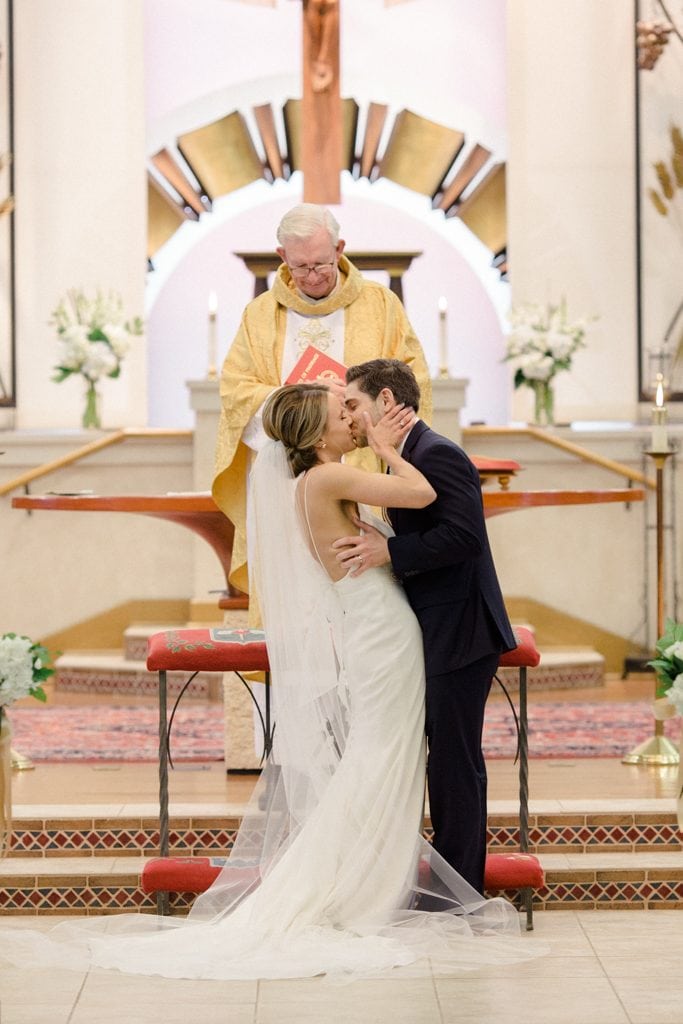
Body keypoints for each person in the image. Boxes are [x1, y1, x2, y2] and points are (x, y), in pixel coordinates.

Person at [0, 384, 541, 981]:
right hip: (383, 634)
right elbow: (421, 491)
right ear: (313, 437)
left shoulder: (312, 483)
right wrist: (388, 449)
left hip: (378, 629)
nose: (353, 423)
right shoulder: (326, 480)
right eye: (342, 415)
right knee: (382, 756)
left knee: (386, 754)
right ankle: (354, 890)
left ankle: (364, 883)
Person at [334, 359, 516, 895]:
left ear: (386, 402)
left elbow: (464, 538)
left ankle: (462, 890)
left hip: (461, 630)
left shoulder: (436, 453)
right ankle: (451, 882)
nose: (350, 416)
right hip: (439, 628)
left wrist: (389, 550)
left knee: (455, 764)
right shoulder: (405, 458)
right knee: (446, 762)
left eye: (354, 405)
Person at [212, 202, 431, 600]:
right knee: (295, 592)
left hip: (365, 460)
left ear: (339, 249)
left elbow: (410, 380)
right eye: (300, 267)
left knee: (360, 583)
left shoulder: (380, 305)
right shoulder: (260, 314)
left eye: (321, 264)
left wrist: (361, 413)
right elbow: (235, 389)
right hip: (288, 475)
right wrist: (300, 402)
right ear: (282, 257)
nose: (311, 276)